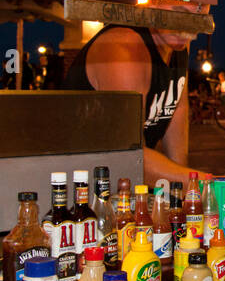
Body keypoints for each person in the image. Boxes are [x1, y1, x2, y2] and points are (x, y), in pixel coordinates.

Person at [64, 19, 207, 187]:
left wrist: (183, 191)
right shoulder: (123, 45)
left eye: (200, 7)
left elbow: (177, 109)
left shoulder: (176, 42)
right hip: (79, 186)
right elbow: (128, 155)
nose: (187, 23)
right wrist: (208, 184)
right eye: (179, 7)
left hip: (122, 187)